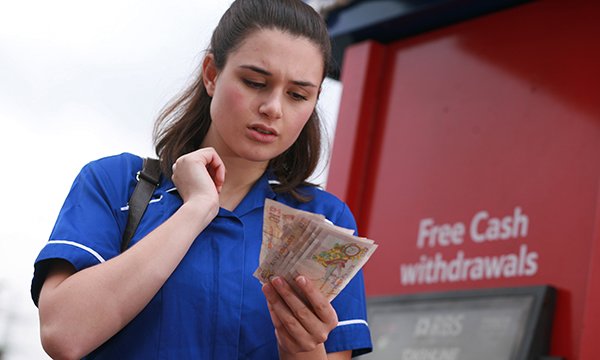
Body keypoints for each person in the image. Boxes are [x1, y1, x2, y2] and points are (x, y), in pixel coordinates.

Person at [30, 0, 373, 359]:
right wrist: (196, 209)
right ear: (211, 73)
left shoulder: (324, 224)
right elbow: (63, 334)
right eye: (255, 82)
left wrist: (303, 347)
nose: (273, 107)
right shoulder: (117, 184)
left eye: (298, 95)